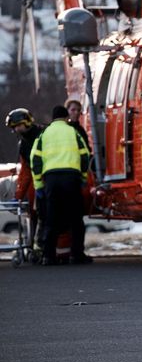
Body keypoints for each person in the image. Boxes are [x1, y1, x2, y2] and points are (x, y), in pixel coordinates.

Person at [30, 105, 92, 265]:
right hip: (71, 178)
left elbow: (34, 159)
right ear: (66, 118)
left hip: (51, 179)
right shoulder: (73, 132)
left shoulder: (45, 133)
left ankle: (48, 256)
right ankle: (76, 255)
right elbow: (85, 155)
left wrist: (38, 185)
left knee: (51, 218)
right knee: (75, 219)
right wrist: (83, 177)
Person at [5, 108, 44, 254]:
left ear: (26, 122)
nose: (16, 130)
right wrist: (18, 196)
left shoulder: (42, 135)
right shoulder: (25, 144)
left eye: (17, 126)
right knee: (35, 216)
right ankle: (37, 249)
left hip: (47, 182)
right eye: (14, 127)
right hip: (38, 185)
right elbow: (25, 172)